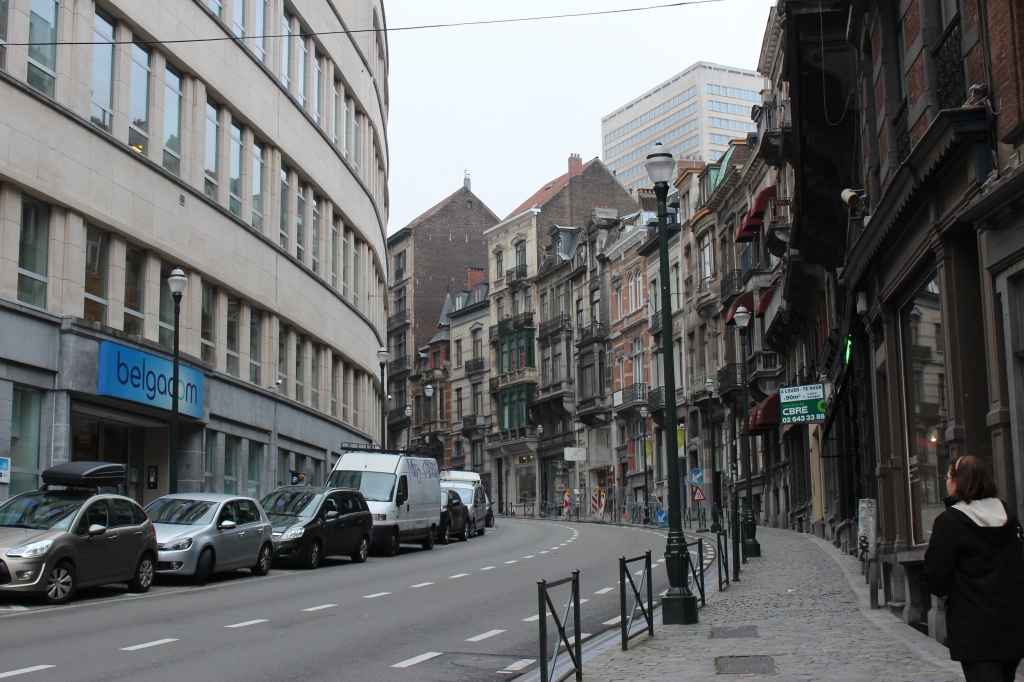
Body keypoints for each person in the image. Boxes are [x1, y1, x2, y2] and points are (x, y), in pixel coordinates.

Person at [924, 455, 1024, 682]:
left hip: (974, 626)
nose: (947, 482)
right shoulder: (1007, 515)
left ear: (957, 482)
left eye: (949, 477)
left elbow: (936, 579)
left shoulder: (950, 522)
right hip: (1012, 623)